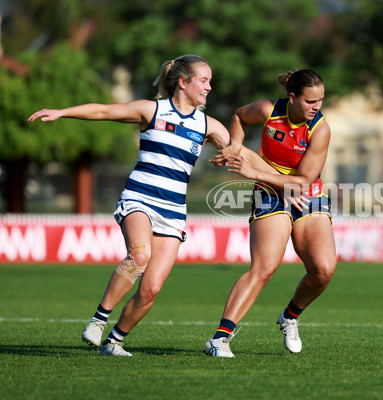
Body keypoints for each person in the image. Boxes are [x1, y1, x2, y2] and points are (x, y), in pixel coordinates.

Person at [27, 54, 274, 356]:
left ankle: (114, 341)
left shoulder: (209, 126)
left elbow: (245, 156)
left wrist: (291, 180)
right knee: (139, 256)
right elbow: (105, 111)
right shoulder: (152, 110)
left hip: (173, 211)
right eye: (204, 80)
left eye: (210, 81)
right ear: (183, 82)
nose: (210, 87)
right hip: (139, 198)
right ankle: (97, 320)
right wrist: (62, 112)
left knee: (151, 289)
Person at [204, 68, 337, 358]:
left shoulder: (321, 129)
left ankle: (290, 316)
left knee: (324, 270)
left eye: (320, 101)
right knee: (264, 267)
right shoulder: (269, 110)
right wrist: (235, 144)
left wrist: (251, 171)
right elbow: (239, 116)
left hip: (306, 195)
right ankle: (220, 339)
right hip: (269, 193)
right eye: (311, 101)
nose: (317, 107)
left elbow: (303, 181)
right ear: (292, 98)